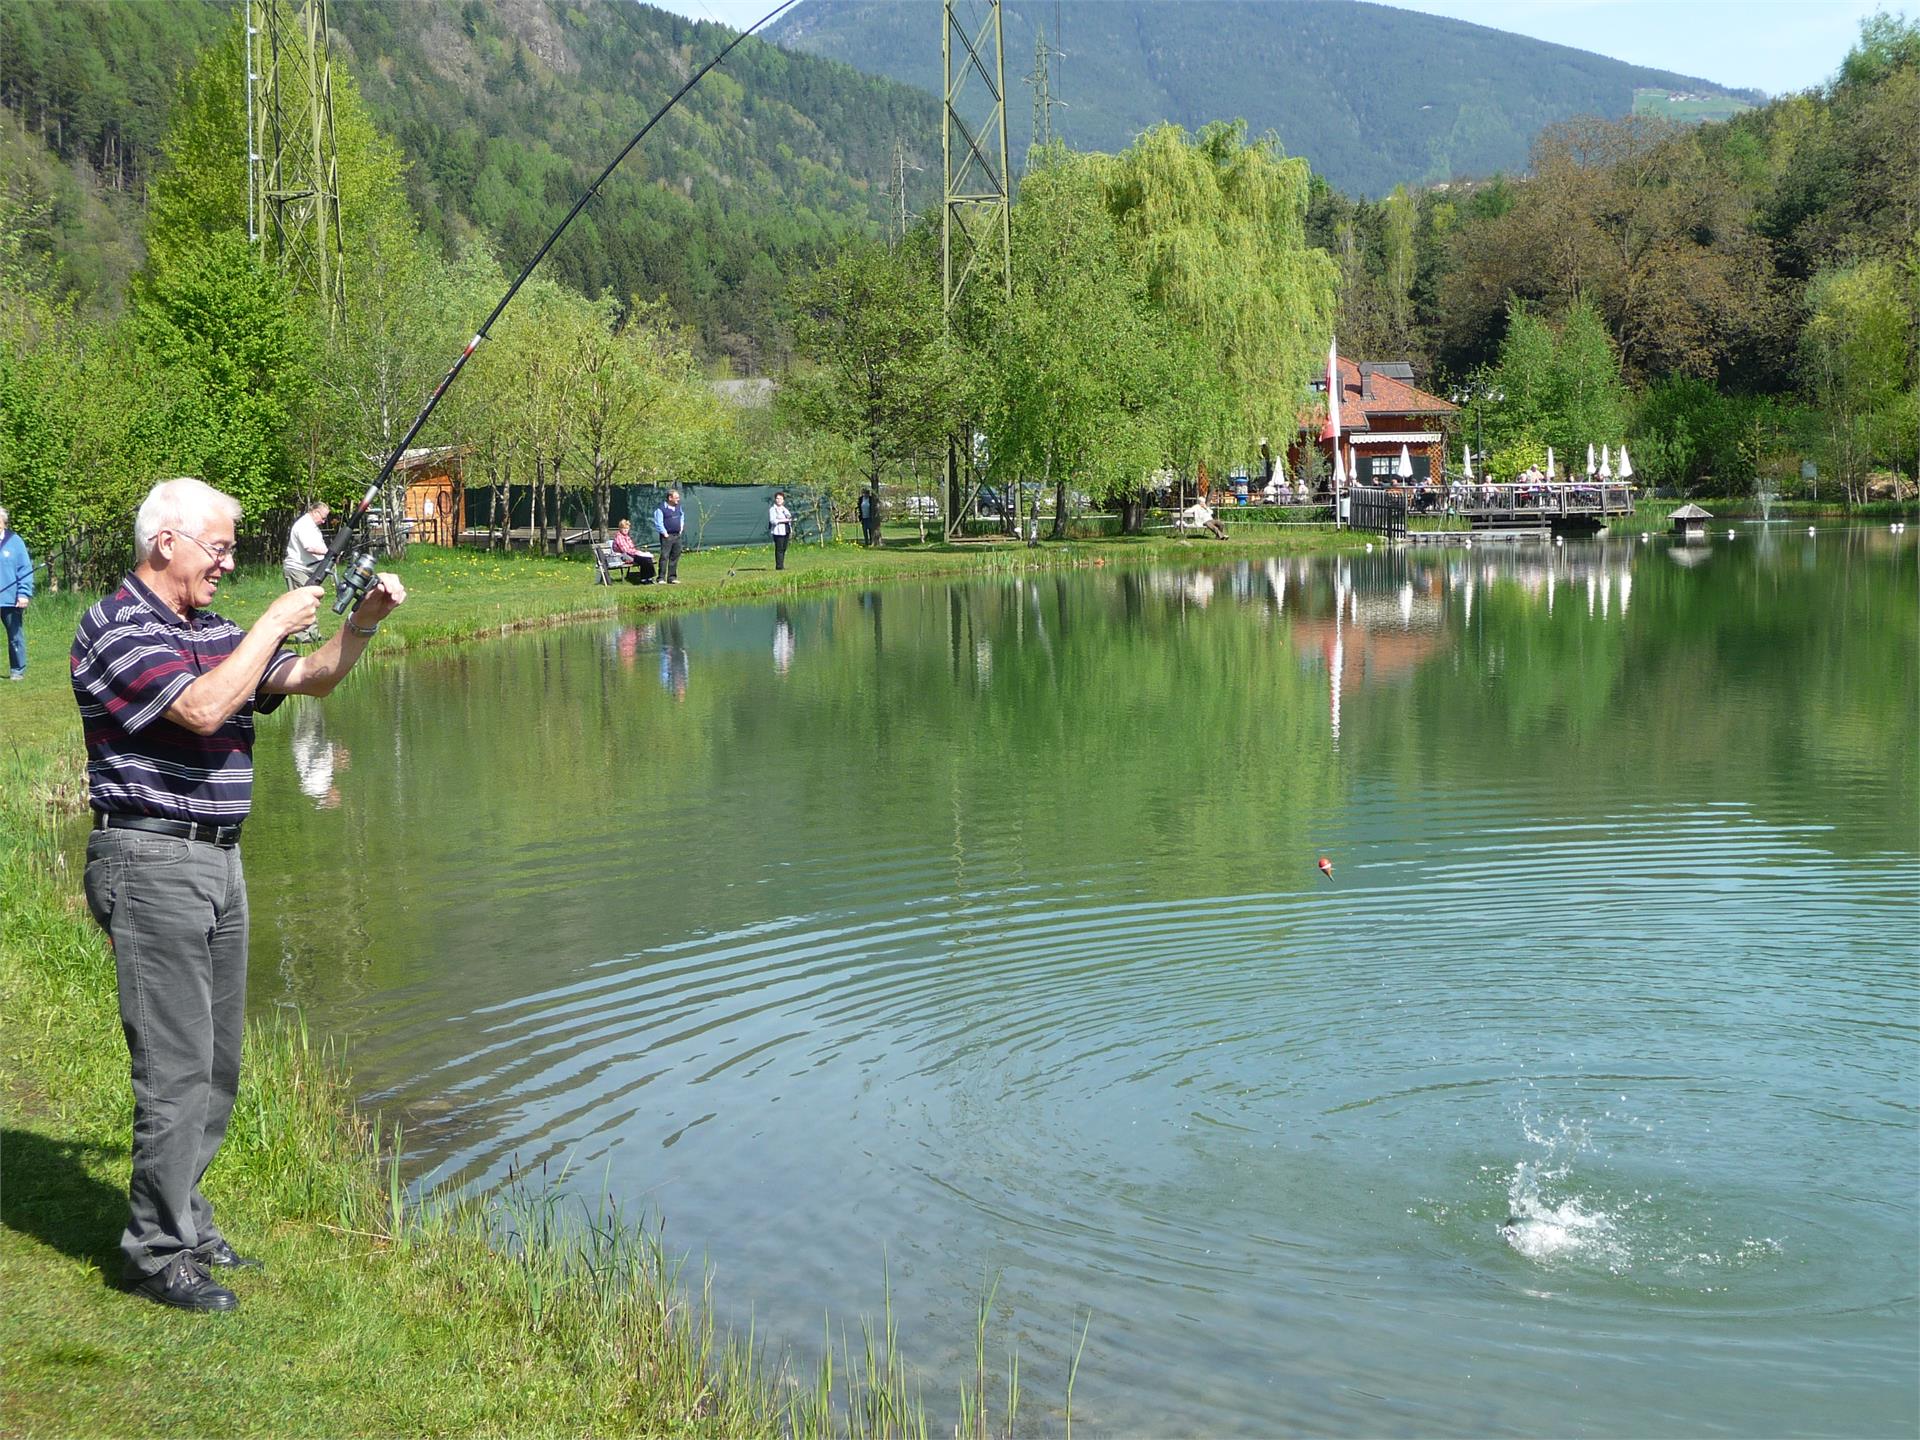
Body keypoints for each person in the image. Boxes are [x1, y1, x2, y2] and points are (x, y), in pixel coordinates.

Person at [72, 476, 406, 1313]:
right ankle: (155, 1253)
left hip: (219, 860)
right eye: (217, 548)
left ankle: (186, 1218)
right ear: (166, 543)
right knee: (175, 1066)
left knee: (217, 1064)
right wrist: (271, 621)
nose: (226, 562)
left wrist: (363, 623)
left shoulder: (213, 630)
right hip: (150, 858)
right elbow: (201, 708)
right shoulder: (115, 628)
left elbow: (313, 679)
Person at [281, 499, 330, 643]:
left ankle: (313, 635)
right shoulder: (303, 525)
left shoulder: (312, 526)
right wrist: (329, 552)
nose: (324, 521)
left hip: (309, 569)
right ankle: (302, 637)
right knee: (302, 602)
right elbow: (309, 547)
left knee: (311, 600)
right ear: (315, 512)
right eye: (323, 518)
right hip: (297, 569)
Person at [0, 505, 32, 680]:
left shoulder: (15, 541)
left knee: (15, 636)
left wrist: (23, 593)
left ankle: (17, 670)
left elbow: (25, 569)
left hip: (10, 599)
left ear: (3, 522)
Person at [652, 489, 686, 584]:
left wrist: (681, 528)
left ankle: (672, 578)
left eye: (678, 497)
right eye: (676, 497)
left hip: (677, 535)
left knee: (675, 556)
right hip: (667, 536)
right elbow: (658, 523)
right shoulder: (661, 509)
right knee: (664, 556)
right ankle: (661, 578)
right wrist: (665, 534)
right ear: (670, 498)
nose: (678, 499)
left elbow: (682, 516)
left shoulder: (678, 507)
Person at [768, 490, 795, 571]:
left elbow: (789, 517)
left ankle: (782, 564)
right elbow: (773, 520)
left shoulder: (784, 509)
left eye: (780, 498)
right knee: (779, 548)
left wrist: (788, 519)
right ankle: (779, 566)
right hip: (778, 531)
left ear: (783, 500)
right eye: (777, 498)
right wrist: (783, 520)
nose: (779, 500)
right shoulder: (773, 509)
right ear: (775, 499)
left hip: (786, 530)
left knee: (784, 548)